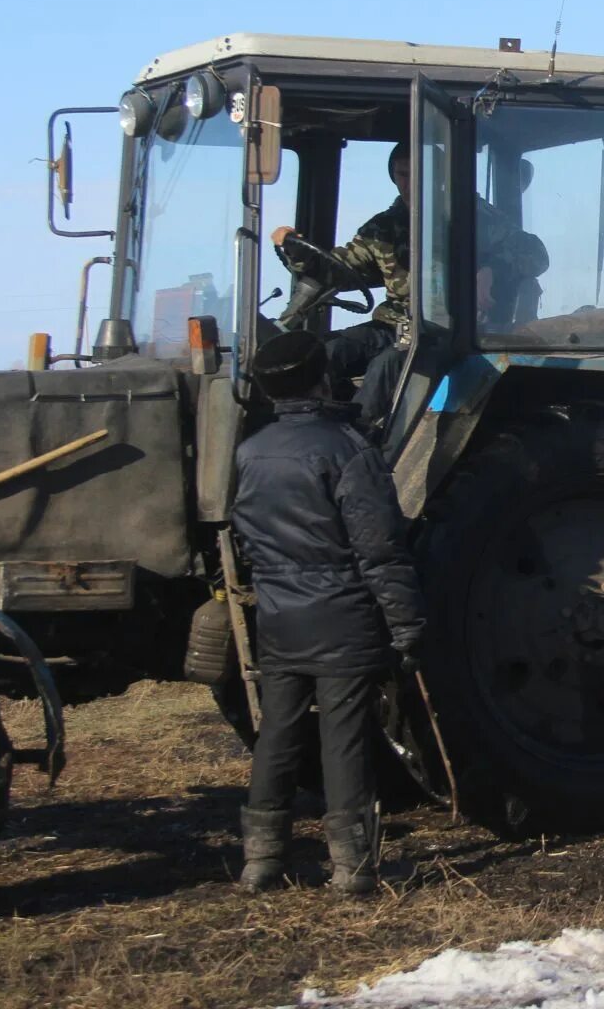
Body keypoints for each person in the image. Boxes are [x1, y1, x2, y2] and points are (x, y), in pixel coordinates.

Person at [231, 330, 425, 894]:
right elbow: (379, 549)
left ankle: (261, 861)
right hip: (342, 617)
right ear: (322, 379)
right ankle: (355, 868)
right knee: (344, 738)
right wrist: (408, 625)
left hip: (279, 617)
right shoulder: (347, 451)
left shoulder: (250, 452)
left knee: (279, 734)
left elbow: (248, 541)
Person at [271, 142, 549, 427]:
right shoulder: (383, 228)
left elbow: (536, 255)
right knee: (328, 350)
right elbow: (339, 270)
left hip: (450, 332)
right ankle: (307, 429)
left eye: (419, 175)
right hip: (393, 324)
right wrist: (297, 250)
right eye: (402, 175)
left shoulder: (475, 217)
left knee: (387, 365)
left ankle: (357, 438)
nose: (410, 184)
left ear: (440, 178)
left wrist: (491, 269)